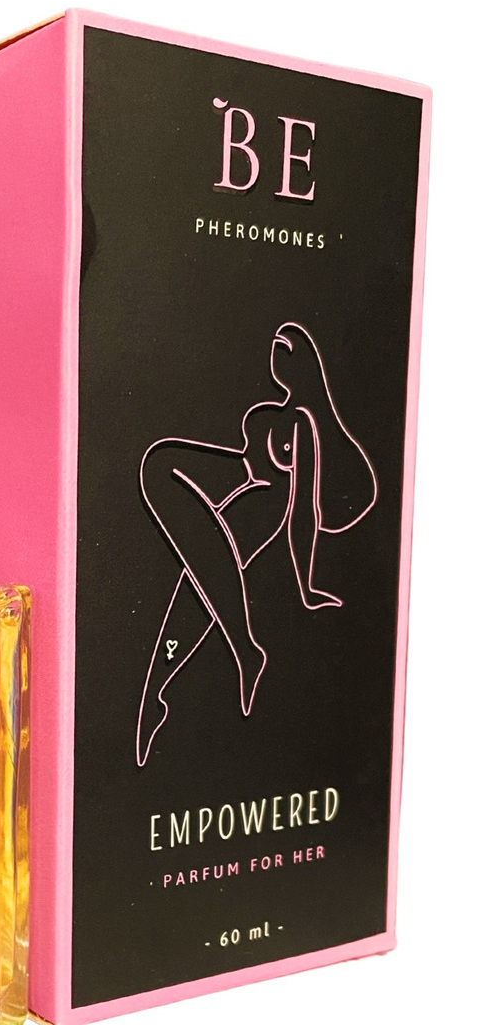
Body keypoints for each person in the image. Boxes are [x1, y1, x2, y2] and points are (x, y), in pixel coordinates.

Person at [135, 321, 377, 767]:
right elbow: (247, 462)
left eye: (286, 347)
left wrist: (306, 586)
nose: (276, 350)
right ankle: (216, 666)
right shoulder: (274, 411)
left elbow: (304, 509)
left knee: (195, 596)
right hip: (243, 490)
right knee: (161, 468)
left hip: (262, 508)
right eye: (276, 344)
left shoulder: (302, 423)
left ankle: (191, 679)